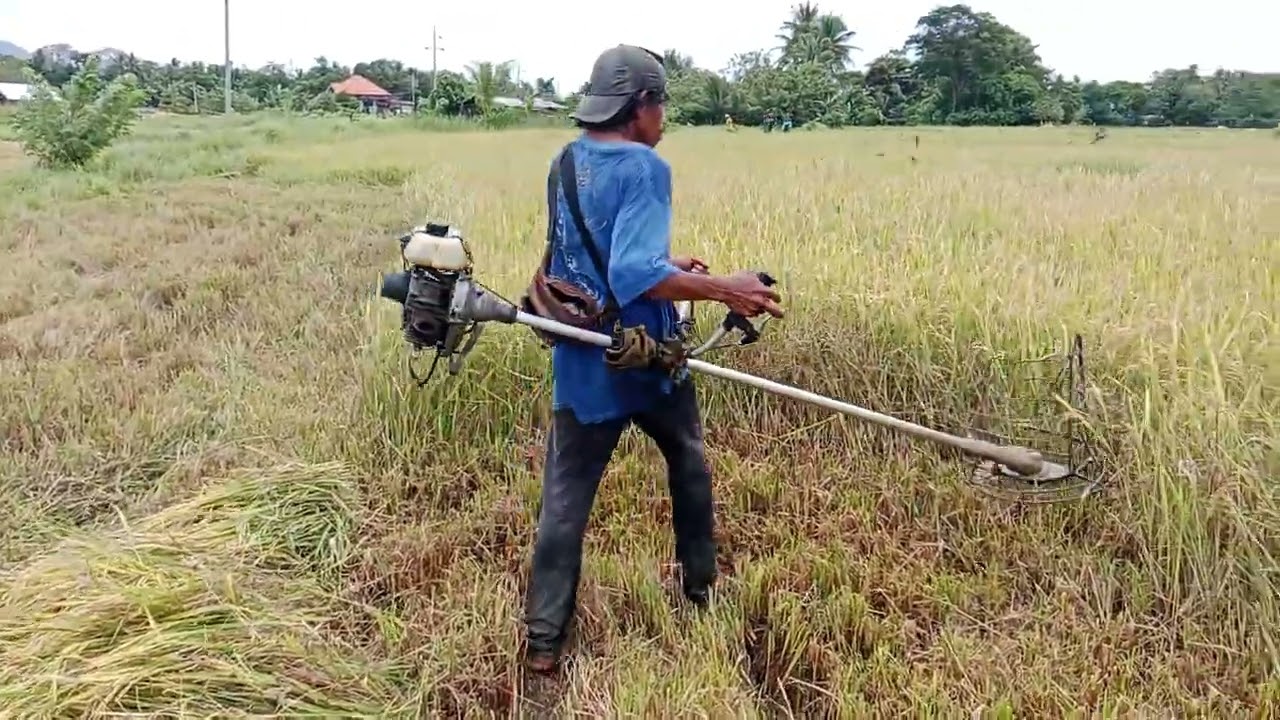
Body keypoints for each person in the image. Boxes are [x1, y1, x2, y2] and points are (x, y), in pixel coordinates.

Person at [522, 44, 784, 674]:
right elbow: (633, 272)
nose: (664, 117)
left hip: (583, 358)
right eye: (661, 103)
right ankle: (701, 591)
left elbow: (586, 259)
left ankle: (543, 640)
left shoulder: (566, 160)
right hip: (648, 357)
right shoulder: (643, 167)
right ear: (640, 105)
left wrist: (673, 266)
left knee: (565, 497)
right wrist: (727, 288)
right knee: (688, 462)